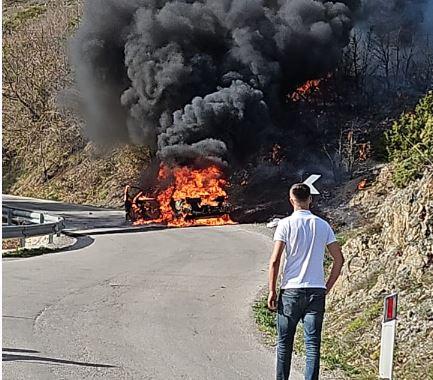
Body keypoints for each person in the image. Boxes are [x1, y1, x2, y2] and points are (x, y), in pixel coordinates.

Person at [267, 183, 344, 380]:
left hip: (291, 291)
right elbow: (339, 259)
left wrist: (272, 291)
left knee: (284, 344)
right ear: (310, 199)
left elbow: (275, 261)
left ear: (291, 200)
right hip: (316, 291)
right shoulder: (323, 225)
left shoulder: (285, 225)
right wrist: (328, 286)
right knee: (312, 345)